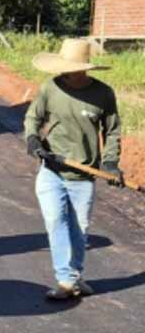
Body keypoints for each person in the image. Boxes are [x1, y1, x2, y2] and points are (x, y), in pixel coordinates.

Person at [24, 39, 122, 300]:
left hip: (84, 175)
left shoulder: (103, 94)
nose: (68, 73)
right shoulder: (50, 88)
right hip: (51, 171)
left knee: (80, 228)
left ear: (85, 68)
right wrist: (33, 140)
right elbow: (33, 117)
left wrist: (111, 163)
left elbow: (112, 131)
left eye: (73, 68)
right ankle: (65, 279)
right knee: (56, 222)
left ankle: (75, 275)